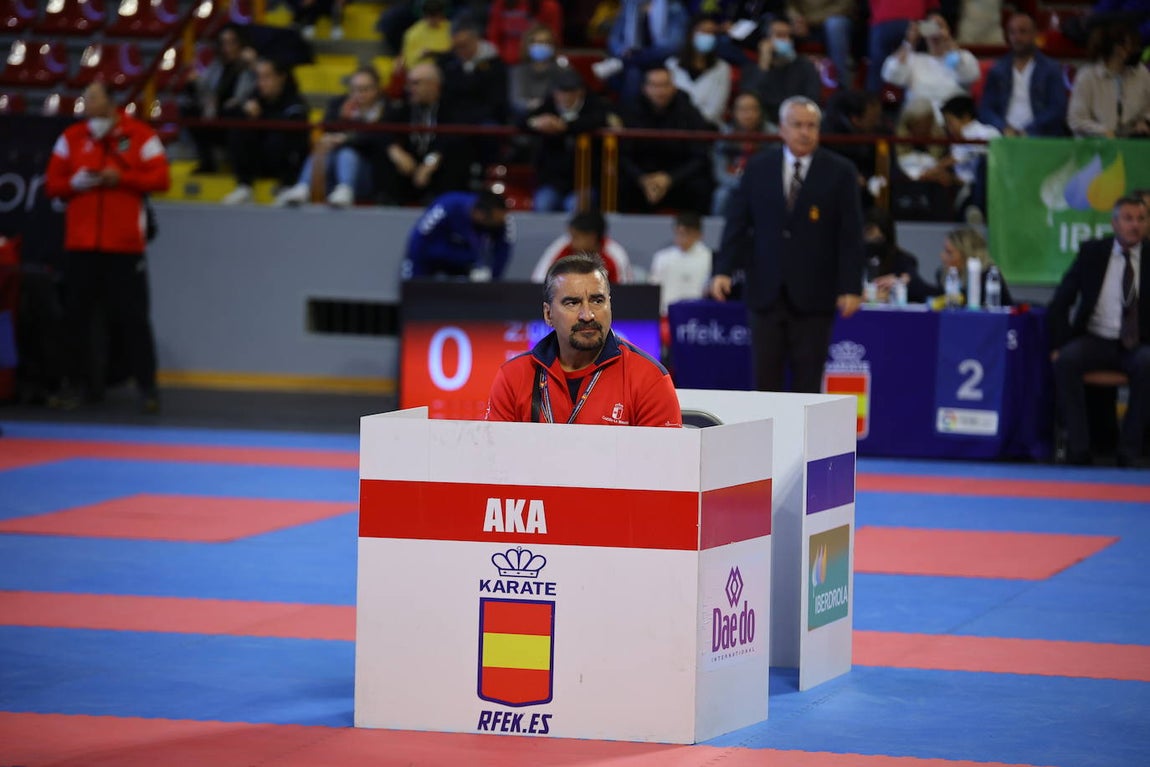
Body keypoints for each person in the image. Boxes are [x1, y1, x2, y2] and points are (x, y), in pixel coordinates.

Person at [711, 95, 864, 393]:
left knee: (808, 383)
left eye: (811, 125)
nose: (805, 132)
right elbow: (738, 224)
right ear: (782, 128)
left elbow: (850, 234)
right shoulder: (758, 168)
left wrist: (851, 286)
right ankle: (767, 441)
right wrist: (723, 270)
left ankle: (804, 442)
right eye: (797, 125)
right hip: (765, 291)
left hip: (815, 295)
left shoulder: (840, 171)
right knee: (765, 381)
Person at [44, 81, 171, 412]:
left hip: (124, 246)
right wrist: (73, 184)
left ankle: (148, 389)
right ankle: (74, 386)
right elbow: (52, 185)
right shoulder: (71, 138)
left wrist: (122, 179)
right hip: (82, 244)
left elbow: (162, 180)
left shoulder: (140, 135)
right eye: (85, 97)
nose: (86, 103)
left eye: (93, 98)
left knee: (134, 318)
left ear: (112, 103)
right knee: (76, 318)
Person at [485, 253, 682, 426]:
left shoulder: (649, 379)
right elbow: (494, 462)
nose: (587, 315)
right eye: (572, 303)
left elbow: (665, 465)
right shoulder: (513, 377)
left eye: (597, 301)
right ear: (548, 314)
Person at [1049, 196, 1150, 467]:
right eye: (1128, 219)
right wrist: (1059, 344)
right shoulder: (1092, 253)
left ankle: (1129, 451)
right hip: (1096, 338)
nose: (1135, 225)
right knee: (1066, 361)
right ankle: (1079, 448)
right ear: (1114, 223)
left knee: (1147, 363)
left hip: (1137, 342)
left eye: (1141, 219)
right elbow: (1061, 301)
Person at [275, 66, 386, 208]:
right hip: (332, 169)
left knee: (347, 153)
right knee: (323, 149)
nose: (359, 95)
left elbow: (375, 138)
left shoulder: (385, 109)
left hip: (369, 173)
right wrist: (334, 133)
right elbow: (326, 127)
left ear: (377, 89)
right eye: (355, 90)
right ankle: (303, 187)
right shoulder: (339, 104)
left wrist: (345, 138)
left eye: (365, 89)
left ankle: (346, 188)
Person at [617, 65, 715, 215]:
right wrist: (643, 179)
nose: (660, 91)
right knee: (616, 184)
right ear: (645, 88)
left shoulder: (688, 111)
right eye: (655, 86)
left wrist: (670, 179)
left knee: (701, 186)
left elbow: (699, 156)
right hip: (641, 178)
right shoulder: (630, 111)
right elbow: (622, 155)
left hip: (678, 178)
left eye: (665, 85)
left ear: (674, 87)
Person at [375, 60, 472, 207]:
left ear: (434, 85)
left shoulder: (452, 109)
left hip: (437, 171)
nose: (409, 88)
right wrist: (395, 152)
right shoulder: (403, 108)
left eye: (416, 83)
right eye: (409, 83)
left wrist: (431, 162)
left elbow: (454, 139)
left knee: (457, 157)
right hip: (409, 170)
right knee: (385, 156)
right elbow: (380, 130)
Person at [521, 67, 613, 213]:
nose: (565, 97)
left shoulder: (594, 104)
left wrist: (564, 126)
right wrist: (536, 123)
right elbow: (522, 120)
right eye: (561, 92)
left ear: (581, 92)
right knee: (543, 204)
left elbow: (595, 120)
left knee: (574, 207)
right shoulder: (549, 105)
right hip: (553, 180)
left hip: (585, 180)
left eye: (570, 92)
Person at [221, 58, 309, 205]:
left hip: (287, 165)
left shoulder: (295, 102)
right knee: (239, 127)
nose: (261, 83)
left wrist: (262, 117)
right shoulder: (254, 99)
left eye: (267, 77)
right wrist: (241, 111)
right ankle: (244, 187)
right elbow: (223, 117)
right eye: (259, 77)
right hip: (259, 160)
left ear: (281, 78)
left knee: (283, 134)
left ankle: (287, 187)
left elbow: (296, 134)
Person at [977, 12, 1068, 137]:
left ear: (1034, 34)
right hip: (1005, 136)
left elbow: (1057, 109)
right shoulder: (997, 69)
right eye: (1012, 32)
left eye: (1022, 31)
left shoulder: (1051, 68)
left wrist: (1030, 130)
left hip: (1041, 136)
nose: (1017, 37)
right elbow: (985, 109)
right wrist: (1003, 127)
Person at [182, 25, 256, 173]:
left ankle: (241, 168)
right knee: (188, 110)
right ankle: (207, 162)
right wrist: (194, 82)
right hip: (216, 114)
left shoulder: (250, 66)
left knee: (235, 112)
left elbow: (259, 89)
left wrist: (253, 64)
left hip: (240, 116)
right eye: (223, 43)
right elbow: (205, 89)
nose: (227, 48)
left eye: (232, 42)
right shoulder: (217, 65)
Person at [402, 190, 514, 280]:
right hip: (433, 256)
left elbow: (503, 250)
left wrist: (493, 279)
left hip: (467, 265)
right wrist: (414, 278)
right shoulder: (448, 206)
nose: (498, 226)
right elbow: (419, 238)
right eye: (494, 223)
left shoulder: (500, 221)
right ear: (479, 214)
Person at [880, 12, 980, 113]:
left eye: (939, 26)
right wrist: (909, 41)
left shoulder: (957, 58)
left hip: (952, 118)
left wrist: (948, 41)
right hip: (918, 118)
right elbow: (891, 75)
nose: (934, 31)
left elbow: (971, 75)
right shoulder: (913, 59)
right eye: (929, 26)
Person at [1067, 22, 1150, 138]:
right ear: (1118, 49)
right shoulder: (1087, 76)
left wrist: (1144, 121)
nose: (1137, 51)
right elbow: (1076, 120)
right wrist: (1103, 131)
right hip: (1096, 146)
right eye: (1133, 46)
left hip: (1133, 144)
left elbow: (1147, 108)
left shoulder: (1142, 73)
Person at [741, 18, 822, 132]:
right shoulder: (753, 67)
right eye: (779, 35)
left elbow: (812, 101)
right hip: (763, 125)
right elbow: (749, 100)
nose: (786, 40)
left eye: (788, 36)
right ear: (766, 40)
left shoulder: (805, 66)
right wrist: (764, 63)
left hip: (798, 123)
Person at [939, 94, 999, 223]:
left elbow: (959, 157)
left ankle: (978, 209)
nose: (949, 128)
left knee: (984, 164)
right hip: (966, 188)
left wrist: (936, 167)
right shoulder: (957, 143)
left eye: (950, 122)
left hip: (991, 187)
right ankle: (973, 211)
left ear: (965, 117)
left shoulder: (988, 132)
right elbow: (961, 172)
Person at [531, 210, 634, 284]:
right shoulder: (562, 247)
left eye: (576, 237)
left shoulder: (615, 254)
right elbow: (539, 281)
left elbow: (624, 293)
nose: (572, 242)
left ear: (592, 237)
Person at [666, 14, 733, 126]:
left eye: (712, 33)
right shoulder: (671, 65)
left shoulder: (723, 68)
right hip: (674, 128)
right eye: (703, 31)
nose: (708, 36)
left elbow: (716, 109)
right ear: (691, 34)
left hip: (708, 129)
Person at [712, 91, 767, 216]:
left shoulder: (772, 135)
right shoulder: (725, 135)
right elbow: (720, 173)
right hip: (734, 184)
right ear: (734, 112)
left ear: (760, 112)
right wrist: (742, 183)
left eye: (753, 109)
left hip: (763, 184)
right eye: (743, 109)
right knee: (721, 196)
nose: (748, 114)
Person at [648, 211, 713, 314]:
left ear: (698, 234)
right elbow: (653, 289)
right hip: (665, 314)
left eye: (686, 233)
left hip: (697, 314)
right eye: (678, 233)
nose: (681, 238)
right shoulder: (662, 257)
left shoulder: (709, 258)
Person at [863, 208, 932, 303]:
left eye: (878, 239)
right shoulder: (852, 260)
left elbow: (919, 288)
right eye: (868, 238)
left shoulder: (903, 260)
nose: (872, 245)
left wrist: (898, 282)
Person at [934, 226, 1013, 305]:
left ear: (967, 255)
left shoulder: (988, 276)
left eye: (949, 252)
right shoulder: (942, 275)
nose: (942, 256)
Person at [787, 0, 856, 89]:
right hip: (803, 21)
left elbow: (845, 5)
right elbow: (790, 5)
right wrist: (797, 18)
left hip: (833, 18)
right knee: (780, 27)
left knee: (835, 25)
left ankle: (842, 86)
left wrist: (810, 20)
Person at [509, 23, 562, 119]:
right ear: (528, 45)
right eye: (538, 42)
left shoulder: (561, 70)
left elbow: (563, 103)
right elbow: (517, 103)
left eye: (547, 42)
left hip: (555, 122)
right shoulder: (519, 71)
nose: (542, 46)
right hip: (525, 121)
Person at [486, 0, 564, 65]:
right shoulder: (501, 4)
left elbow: (553, 38)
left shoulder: (548, 6)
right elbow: (493, 37)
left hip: (539, 62)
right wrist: (503, 57)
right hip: (506, 62)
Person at [397, 0, 453, 67]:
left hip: (448, 67)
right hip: (423, 69)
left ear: (441, 15)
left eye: (436, 15)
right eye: (430, 16)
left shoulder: (451, 28)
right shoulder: (412, 33)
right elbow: (407, 61)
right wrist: (419, 55)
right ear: (424, 15)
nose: (433, 19)